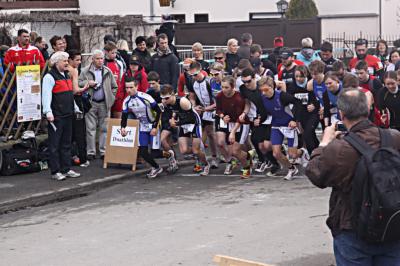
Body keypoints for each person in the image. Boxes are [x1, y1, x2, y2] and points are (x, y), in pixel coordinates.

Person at [306, 88, 400, 266]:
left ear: (341, 114)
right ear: (368, 109)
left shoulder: (339, 149)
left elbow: (315, 173)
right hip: (391, 222)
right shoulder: (394, 137)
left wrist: (325, 143)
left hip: (352, 226)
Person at [42, 51, 81, 181]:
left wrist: (75, 108)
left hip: (68, 114)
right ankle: (55, 171)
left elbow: (70, 95)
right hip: (57, 116)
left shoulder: (66, 75)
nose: (66, 63)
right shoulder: (49, 77)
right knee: (54, 145)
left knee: (66, 143)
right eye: (64, 61)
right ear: (56, 62)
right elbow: (46, 96)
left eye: (66, 60)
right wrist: (48, 112)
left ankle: (66, 168)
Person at [160, 85, 210, 175]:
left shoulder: (183, 101)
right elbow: (174, 111)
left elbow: (191, 118)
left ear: (173, 94)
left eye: (166, 98)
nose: (164, 101)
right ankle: (198, 154)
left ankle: (206, 164)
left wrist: (176, 123)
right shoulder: (167, 103)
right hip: (184, 124)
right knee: (183, 151)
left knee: (196, 150)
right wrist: (172, 118)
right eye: (162, 98)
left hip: (194, 123)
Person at [239, 68, 280, 176]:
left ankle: (276, 162)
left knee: (266, 145)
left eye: (248, 81)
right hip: (260, 115)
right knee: (256, 141)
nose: (246, 84)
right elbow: (248, 102)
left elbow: (279, 87)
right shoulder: (243, 89)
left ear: (254, 78)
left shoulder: (261, 86)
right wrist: (244, 113)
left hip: (271, 115)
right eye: (244, 81)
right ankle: (266, 160)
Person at [78, 49, 118, 160]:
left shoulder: (107, 71)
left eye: (101, 58)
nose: (100, 61)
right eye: (97, 58)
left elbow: (114, 87)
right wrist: (88, 84)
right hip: (91, 103)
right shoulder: (85, 71)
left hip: (104, 103)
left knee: (104, 128)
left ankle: (103, 151)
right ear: (92, 59)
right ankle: (91, 152)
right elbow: (78, 83)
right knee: (90, 128)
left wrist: (111, 98)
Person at [121, 76, 163, 178]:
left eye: (131, 87)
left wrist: (154, 127)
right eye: (127, 88)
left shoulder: (145, 97)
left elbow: (158, 111)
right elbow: (124, 117)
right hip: (143, 127)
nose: (128, 90)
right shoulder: (126, 101)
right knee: (143, 152)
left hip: (153, 124)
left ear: (136, 86)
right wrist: (123, 128)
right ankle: (156, 167)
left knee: (155, 153)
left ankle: (169, 155)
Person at [215, 76, 252, 178]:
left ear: (233, 87)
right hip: (230, 123)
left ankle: (246, 168)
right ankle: (249, 155)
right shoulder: (219, 96)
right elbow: (218, 110)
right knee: (232, 152)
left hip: (242, 124)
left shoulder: (238, 98)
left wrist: (233, 132)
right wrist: (223, 116)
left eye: (226, 87)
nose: (224, 90)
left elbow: (240, 118)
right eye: (222, 87)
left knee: (235, 151)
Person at [187, 61, 218, 169]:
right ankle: (201, 159)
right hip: (202, 111)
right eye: (191, 75)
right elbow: (191, 96)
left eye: (195, 74)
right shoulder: (192, 82)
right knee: (202, 136)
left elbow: (216, 102)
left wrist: (206, 109)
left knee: (211, 135)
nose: (194, 77)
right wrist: (194, 105)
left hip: (212, 111)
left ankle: (213, 158)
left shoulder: (209, 81)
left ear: (201, 71)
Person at [288, 65, 320, 154]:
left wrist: (314, 105)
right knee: (311, 135)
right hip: (301, 115)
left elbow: (319, 98)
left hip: (313, 114)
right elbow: (290, 100)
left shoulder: (311, 84)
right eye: (296, 76)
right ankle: (318, 152)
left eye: (301, 76)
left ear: (306, 75)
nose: (298, 79)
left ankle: (312, 156)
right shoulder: (292, 86)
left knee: (307, 135)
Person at [67, 50, 90, 168]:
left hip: (65, 103)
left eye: (80, 59)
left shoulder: (62, 70)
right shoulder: (73, 71)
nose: (79, 62)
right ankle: (83, 158)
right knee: (80, 131)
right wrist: (86, 87)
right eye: (77, 60)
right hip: (75, 101)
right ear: (70, 60)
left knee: (69, 133)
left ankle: (71, 157)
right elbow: (75, 90)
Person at [104, 42, 126, 118]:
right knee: (107, 118)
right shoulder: (103, 64)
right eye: (112, 53)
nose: (114, 55)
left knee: (118, 117)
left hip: (118, 93)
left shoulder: (119, 63)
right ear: (106, 52)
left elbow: (121, 78)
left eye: (115, 53)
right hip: (107, 94)